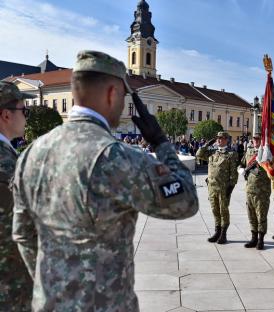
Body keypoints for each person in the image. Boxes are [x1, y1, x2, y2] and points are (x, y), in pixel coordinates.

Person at [11, 51, 199, 311]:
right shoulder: (117, 158)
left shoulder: (32, 153)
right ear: (112, 93)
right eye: (123, 97)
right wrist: (161, 142)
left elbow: (22, 233)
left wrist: (53, 285)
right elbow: (186, 200)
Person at [0, 82, 33, 311]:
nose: (26, 117)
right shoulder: (6, 165)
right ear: (6, 115)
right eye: (24, 110)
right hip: (10, 288)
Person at [196, 131, 238, 244]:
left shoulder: (231, 154)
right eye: (218, 138)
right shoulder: (212, 153)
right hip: (212, 187)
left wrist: (231, 188)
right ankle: (217, 231)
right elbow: (199, 154)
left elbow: (234, 174)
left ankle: (223, 233)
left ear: (226, 140)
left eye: (221, 138)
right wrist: (206, 145)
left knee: (223, 210)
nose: (219, 140)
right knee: (215, 210)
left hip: (224, 188)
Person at [239, 134, 271, 250]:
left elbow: (272, 167)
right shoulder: (249, 151)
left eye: (258, 139)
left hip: (262, 190)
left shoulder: (267, 152)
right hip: (249, 189)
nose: (256, 141)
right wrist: (241, 169)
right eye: (254, 139)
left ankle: (261, 240)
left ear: (262, 140)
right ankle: (254, 238)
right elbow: (242, 163)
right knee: (251, 215)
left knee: (261, 215)